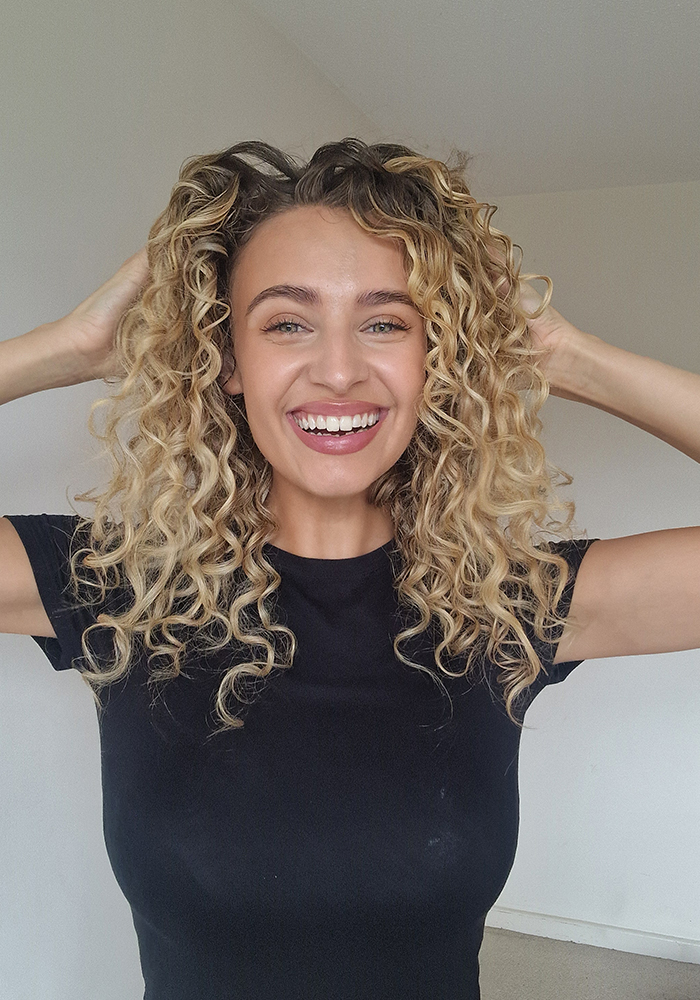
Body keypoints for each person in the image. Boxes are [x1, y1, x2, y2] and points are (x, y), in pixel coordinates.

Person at [0, 139, 697, 1000]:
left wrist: (563, 355)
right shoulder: (119, 588)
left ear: (434, 358)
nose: (338, 371)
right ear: (225, 360)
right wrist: (63, 350)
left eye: (386, 322)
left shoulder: (504, 604)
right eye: (287, 322)